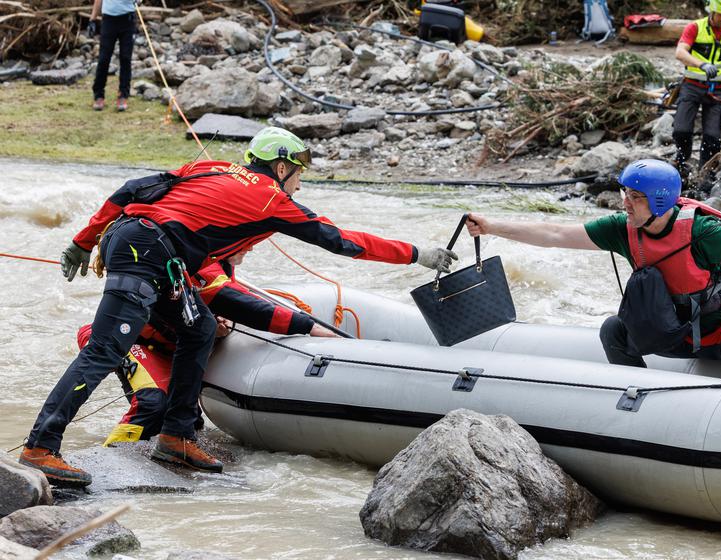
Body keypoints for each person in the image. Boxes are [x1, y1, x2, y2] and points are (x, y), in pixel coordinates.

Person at [19, 127, 457, 487]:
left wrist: (84, 240)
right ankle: (41, 446)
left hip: (151, 250)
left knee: (200, 330)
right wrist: (417, 254)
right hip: (146, 250)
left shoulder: (212, 167)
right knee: (104, 350)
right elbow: (343, 242)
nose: (301, 183)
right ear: (282, 167)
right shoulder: (274, 199)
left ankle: (176, 436)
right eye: (299, 173)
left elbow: (134, 188)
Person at [464, 159, 721, 382]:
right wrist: (492, 226)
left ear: (661, 201)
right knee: (613, 330)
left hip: (720, 329)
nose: (625, 203)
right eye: (625, 194)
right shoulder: (622, 229)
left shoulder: (703, 232)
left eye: (635, 197)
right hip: (670, 331)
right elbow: (555, 234)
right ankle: (642, 398)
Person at [82, 246, 334, 447]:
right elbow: (246, 306)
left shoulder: (223, 270)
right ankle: (111, 457)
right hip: (130, 340)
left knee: (186, 419)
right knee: (153, 404)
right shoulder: (204, 266)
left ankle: (165, 451)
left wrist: (219, 325)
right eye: (246, 243)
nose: (251, 249)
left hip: (167, 346)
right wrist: (308, 326)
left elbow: (236, 303)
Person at [672, 0, 721, 182]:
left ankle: (705, 174)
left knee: (713, 136)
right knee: (681, 130)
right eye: (719, 14)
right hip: (692, 85)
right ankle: (682, 162)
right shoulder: (695, 27)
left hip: (718, 90)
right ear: (711, 11)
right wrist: (702, 64)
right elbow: (680, 52)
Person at [90, 0, 137, 112]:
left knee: (125, 58)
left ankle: (123, 96)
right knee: (103, 59)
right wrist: (92, 19)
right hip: (109, 20)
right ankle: (99, 96)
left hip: (128, 20)